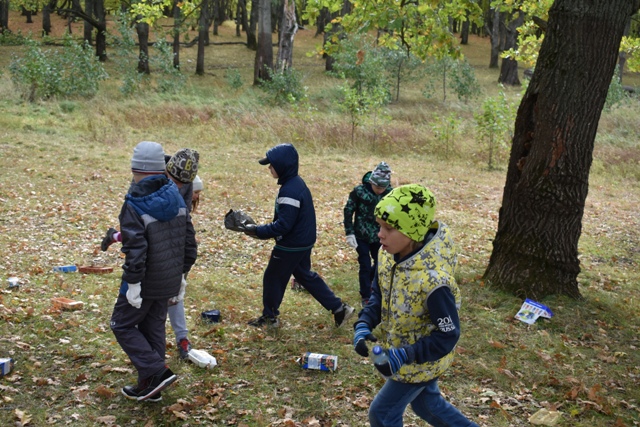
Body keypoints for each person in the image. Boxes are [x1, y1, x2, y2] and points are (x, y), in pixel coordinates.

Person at [352, 184, 479, 427]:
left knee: (382, 414)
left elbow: (448, 334)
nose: (380, 234)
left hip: (420, 362)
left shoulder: (433, 282)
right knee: (428, 406)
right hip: (401, 356)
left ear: (412, 231)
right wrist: (364, 322)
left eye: (389, 228)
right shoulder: (386, 256)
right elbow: (379, 295)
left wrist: (405, 354)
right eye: (379, 226)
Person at [110, 141, 197, 402]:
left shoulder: (133, 202)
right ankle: (151, 387)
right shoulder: (177, 197)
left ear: (134, 168)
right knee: (153, 327)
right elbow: (189, 242)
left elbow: (135, 248)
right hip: (168, 278)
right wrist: (181, 275)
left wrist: (133, 283)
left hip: (145, 280)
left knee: (121, 324)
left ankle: (156, 372)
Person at [243, 143, 355, 329]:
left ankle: (270, 318)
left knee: (272, 278)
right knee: (304, 275)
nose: (269, 168)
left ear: (283, 165)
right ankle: (339, 308)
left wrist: (257, 230)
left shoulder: (290, 190)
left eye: (272, 164)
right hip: (303, 241)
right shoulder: (295, 183)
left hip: (291, 244)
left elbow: (283, 225)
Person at [343, 162, 392, 307]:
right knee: (364, 264)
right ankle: (366, 295)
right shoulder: (359, 192)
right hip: (361, 235)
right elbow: (348, 210)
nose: (380, 190)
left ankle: (373, 285)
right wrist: (349, 232)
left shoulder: (390, 194)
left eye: (383, 188)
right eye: (378, 187)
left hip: (379, 235)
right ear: (372, 182)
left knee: (379, 263)